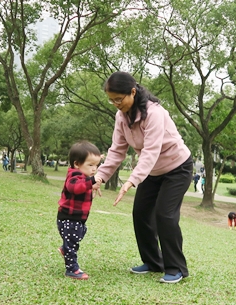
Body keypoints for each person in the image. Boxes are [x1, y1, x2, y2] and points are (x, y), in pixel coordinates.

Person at [94, 71, 193, 284]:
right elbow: (117, 150)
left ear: (132, 92)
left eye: (118, 99)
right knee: (140, 213)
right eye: (111, 100)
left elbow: (151, 151)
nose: (115, 104)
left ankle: (176, 268)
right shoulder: (121, 117)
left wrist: (131, 180)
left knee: (165, 215)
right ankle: (153, 262)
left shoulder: (154, 113)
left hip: (177, 168)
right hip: (152, 171)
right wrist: (100, 176)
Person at [57, 141, 102, 280]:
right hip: (68, 217)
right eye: (90, 165)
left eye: (96, 165)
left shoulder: (83, 178)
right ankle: (72, 269)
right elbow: (75, 188)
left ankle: (66, 247)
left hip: (78, 218)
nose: (94, 169)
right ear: (77, 164)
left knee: (79, 235)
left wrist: (92, 186)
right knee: (72, 241)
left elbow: (83, 187)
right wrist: (92, 181)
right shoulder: (74, 176)